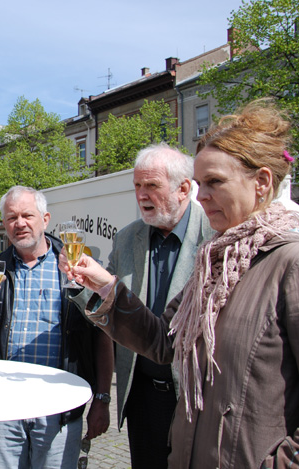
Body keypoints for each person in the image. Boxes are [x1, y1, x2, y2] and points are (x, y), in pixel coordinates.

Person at [62, 98, 299, 468]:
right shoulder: (215, 262)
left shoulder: (290, 263)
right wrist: (105, 286)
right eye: (201, 183)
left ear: (262, 182)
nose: (202, 196)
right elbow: (161, 341)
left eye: (215, 183)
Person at [75, 143, 214, 468]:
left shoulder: (214, 234)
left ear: (183, 188)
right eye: (137, 186)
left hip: (196, 398)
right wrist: (81, 286)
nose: (141, 195)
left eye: (151, 185)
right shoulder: (127, 239)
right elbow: (109, 311)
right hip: (141, 395)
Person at [0, 185, 113, 469]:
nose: (20, 224)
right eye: (11, 218)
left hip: (61, 404)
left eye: (27, 215)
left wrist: (102, 398)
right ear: (4, 224)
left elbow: (102, 336)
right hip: (4, 405)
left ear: (46, 218)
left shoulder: (75, 268)